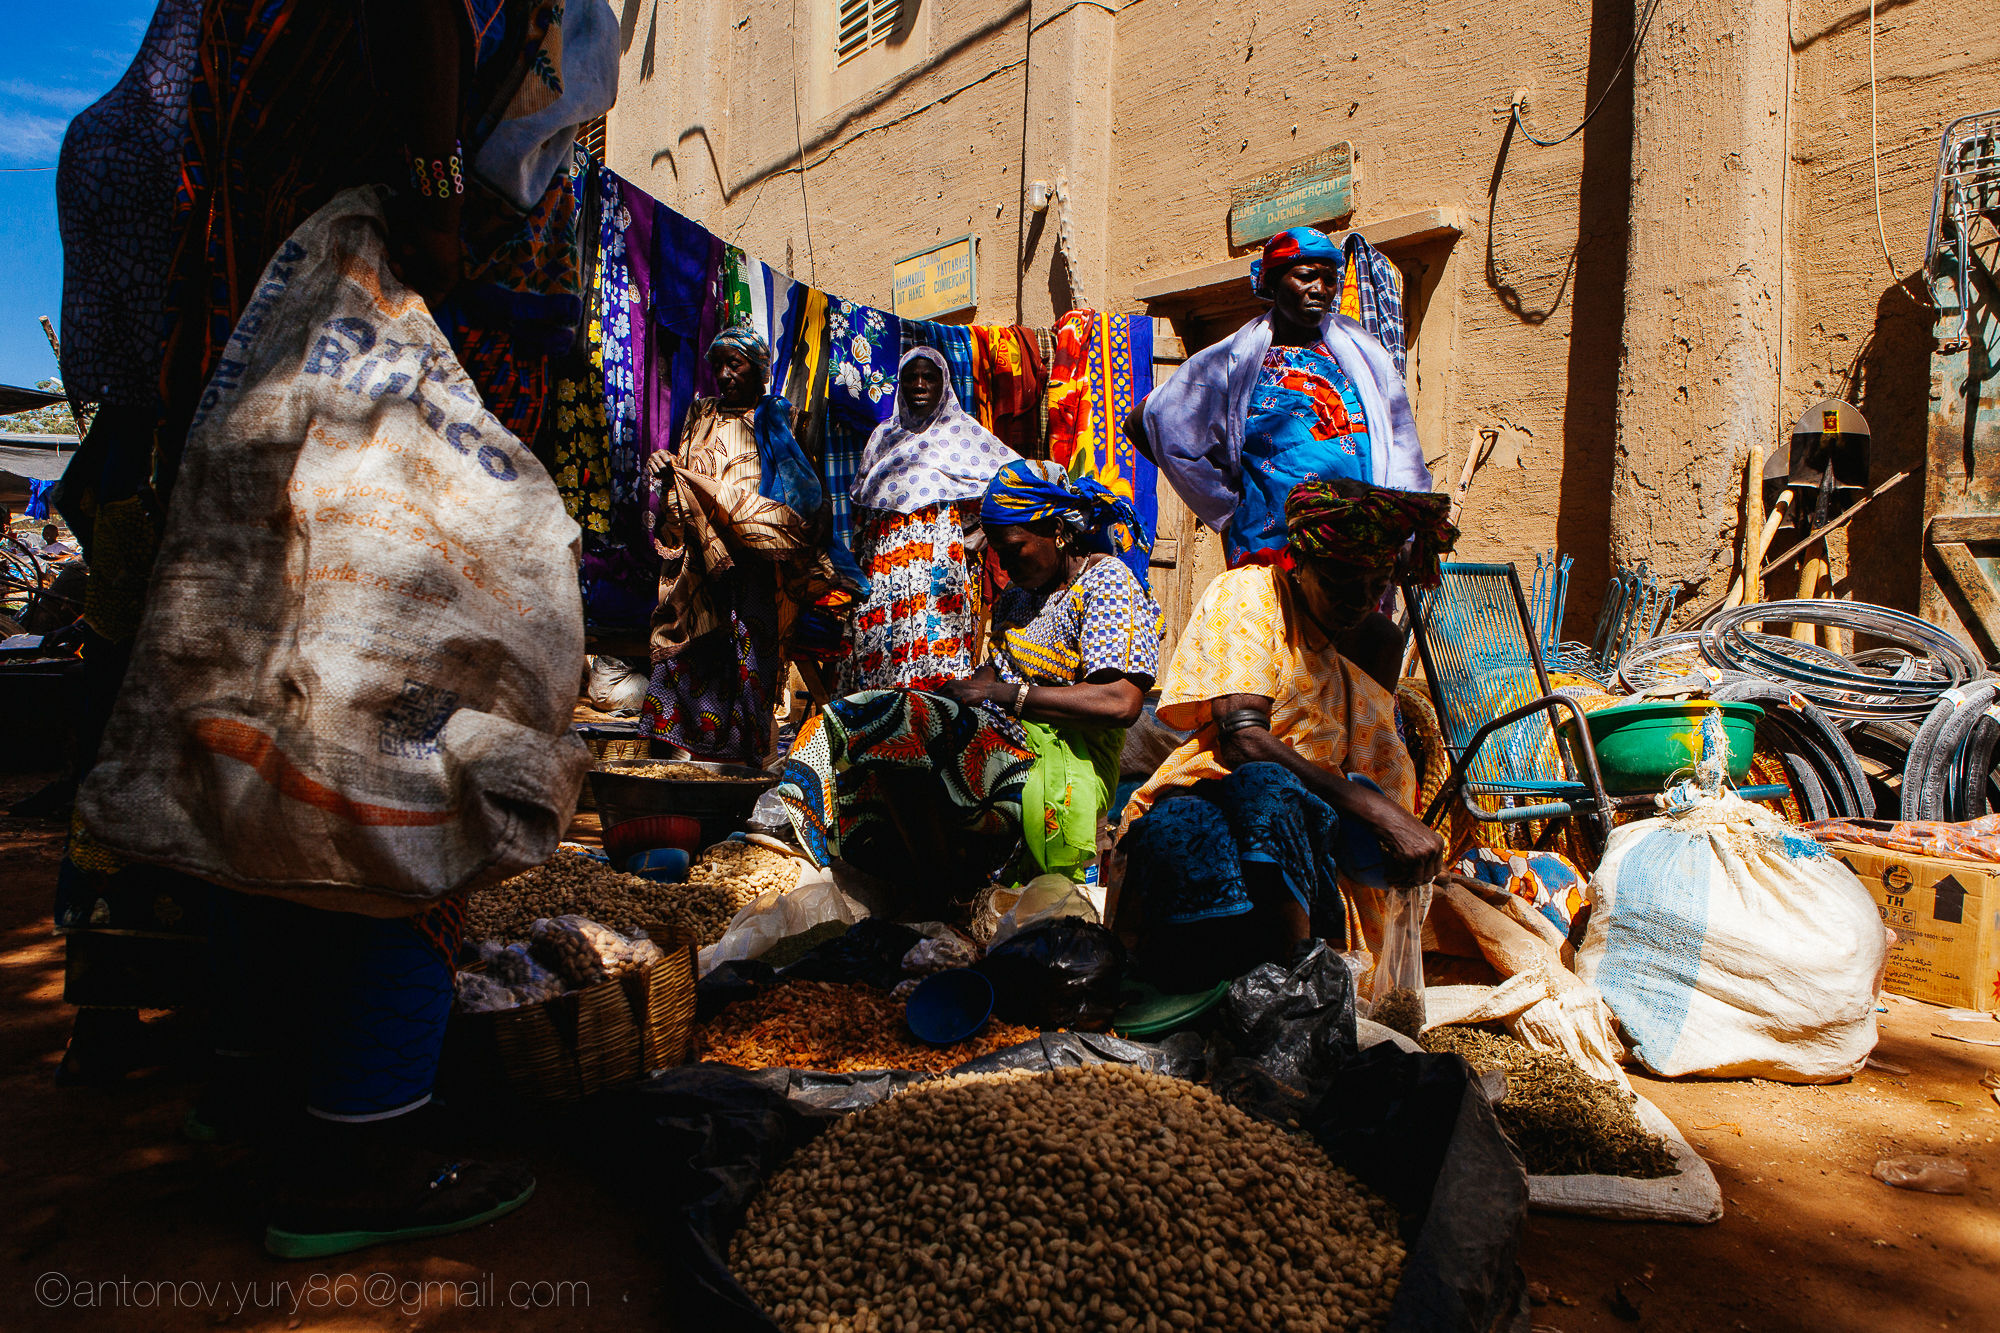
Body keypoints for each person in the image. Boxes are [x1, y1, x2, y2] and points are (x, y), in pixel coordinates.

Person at [51, 0, 616, 1257]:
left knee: (278, 737)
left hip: (272, 339)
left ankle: (260, 1092)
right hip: (399, 315)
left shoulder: (216, 90)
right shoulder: (388, 211)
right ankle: (356, 1149)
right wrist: (428, 188)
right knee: (386, 733)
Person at [1108, 479, 1456, 992]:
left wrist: (1381, 818)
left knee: (1289, 802)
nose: (1359, 600)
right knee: (1265, 792)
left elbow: (1363, 758)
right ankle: (1285, 989)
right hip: (1225, 793)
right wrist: (1379, 812)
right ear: (1302, 562)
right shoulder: (1250, 593)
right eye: (1341, 580)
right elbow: (1243, 741)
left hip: (1329, 825)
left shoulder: (1376, 640)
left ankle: (1305, 992)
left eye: (1376, 583)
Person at [777, 460, 1163, 904]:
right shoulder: (1018, 597)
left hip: (1066, 763)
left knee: (893, 723)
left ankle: (941, 899)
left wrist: (1003, 695)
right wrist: (955, 695)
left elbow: (1120, 703)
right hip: (1006, 742)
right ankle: (930, 886)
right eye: (994, 548)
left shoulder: (1106, 582)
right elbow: (990, 675)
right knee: (871, 722)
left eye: (1012, 546)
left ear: (1057, 531)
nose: (1001, 560)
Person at [1141, 226, 1428, 689]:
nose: (1320, 289)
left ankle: (1352, 749)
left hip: (1353, 542)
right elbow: (1152, 420)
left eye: (1329, 279)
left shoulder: (1362, 354)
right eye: (1305, 276)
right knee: (1279, 664)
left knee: (1358, 657)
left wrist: (1406, 524)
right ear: (1273, 284)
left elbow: (1401, 438)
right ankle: (1277, 749)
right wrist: (1226, 507)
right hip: (1272, 537)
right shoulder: (1233, 358)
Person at [643, 325, 860, 763]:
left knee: (748, 662)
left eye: (735, 364)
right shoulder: (700, 414)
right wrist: (666, 467)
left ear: (760, 370)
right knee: (687, 653)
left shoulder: (778, 417)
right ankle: (670, 762)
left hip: (755, 570)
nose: (724, 374)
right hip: (699, 567)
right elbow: (686, 470)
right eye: (718, 365)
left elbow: (803, 492)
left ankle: (738, 771)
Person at [841, 347, 1020, 693]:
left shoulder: (964, 434)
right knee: (881, 648)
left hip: (939, 566)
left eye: (928, 377)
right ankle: (887, 732)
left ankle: (934, 730)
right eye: (910, 378)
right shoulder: (883, 437)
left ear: (944, 385)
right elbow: (863, 504)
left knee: (937, 646)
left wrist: (979, 533)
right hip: (883, 567)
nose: (919, 384)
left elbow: (1014, 479)